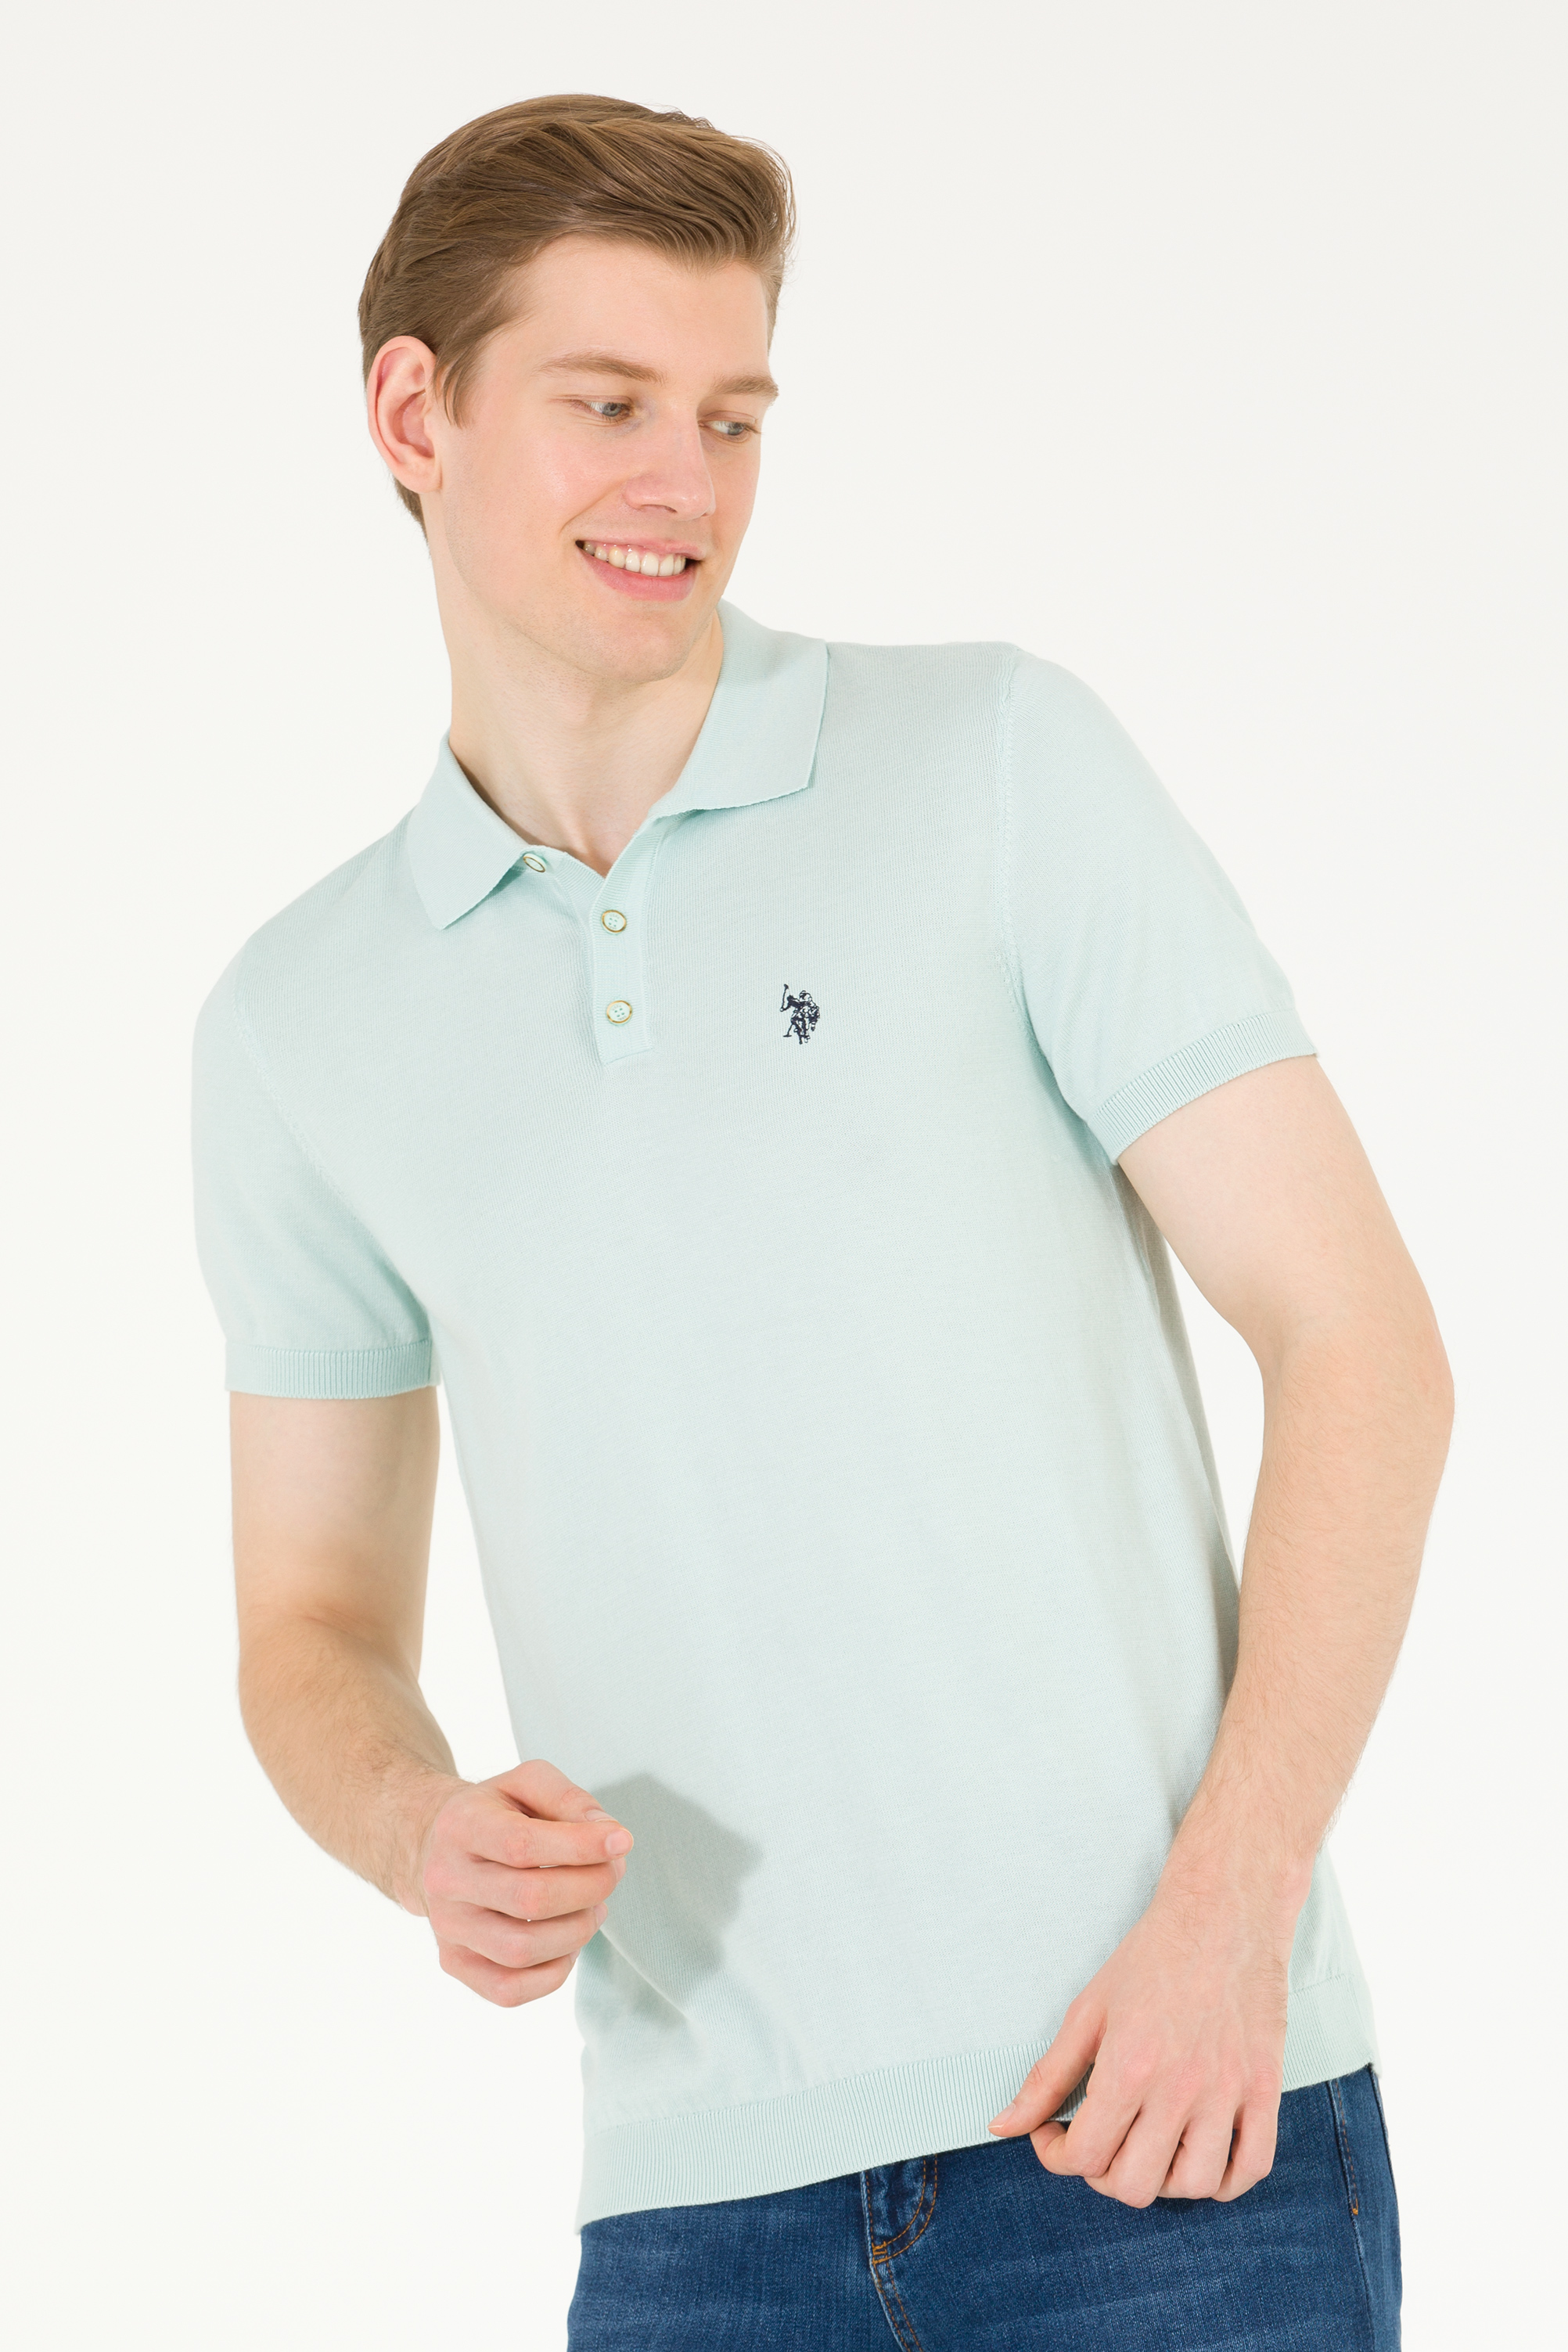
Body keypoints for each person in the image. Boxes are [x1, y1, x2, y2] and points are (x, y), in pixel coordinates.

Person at [192, 93, 1451, 2349]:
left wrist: (1230, 1922)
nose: (683, 482)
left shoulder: (994, 766)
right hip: (698, 2226)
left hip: (1164, 2128)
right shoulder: (301, 1028)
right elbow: (307, 1619)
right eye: (607, 404)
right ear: (412, 412)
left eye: (732, 416)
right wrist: (414, 1827)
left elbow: (1359, 1339)